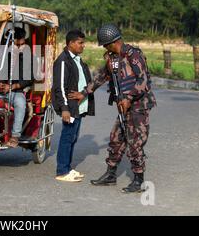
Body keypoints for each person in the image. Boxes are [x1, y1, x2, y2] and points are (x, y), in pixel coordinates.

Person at [70, 23, 156, 193]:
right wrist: (84, 93)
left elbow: (143, 80)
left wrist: (129, 98)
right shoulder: (112, 58)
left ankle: (138, 179)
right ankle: (111, 175)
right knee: (116, 139)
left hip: (138, 106)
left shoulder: (134, 55)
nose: (105, 49)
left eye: (105, 45)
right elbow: (102, 76)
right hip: (123, 107)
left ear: (112, 42)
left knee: (135, 142)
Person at [51, 29, 95, 182]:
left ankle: (68, 168)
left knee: (73, 137)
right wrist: (64, 108)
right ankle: (62, 171)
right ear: (70, 43)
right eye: (80, 43)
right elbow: (60, 87)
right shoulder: (63, 61)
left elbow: (88, 81)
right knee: (67, 137)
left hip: (79, 106)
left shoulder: (77, 60)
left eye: (84, 43)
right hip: (69, 107)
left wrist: (84, 93)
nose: (83, 46)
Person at [0, 27, 33, 148]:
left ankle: (15, 135)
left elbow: (28, 80)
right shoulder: (1, 55)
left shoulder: (27, 57)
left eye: (21, 43)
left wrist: (11, 87)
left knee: (20, 104)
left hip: (16, 91)